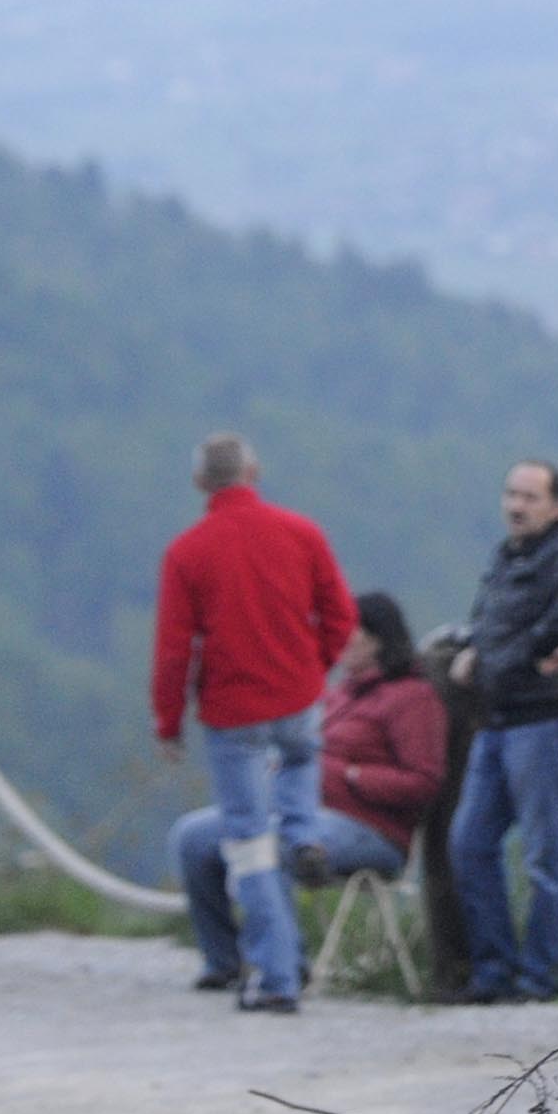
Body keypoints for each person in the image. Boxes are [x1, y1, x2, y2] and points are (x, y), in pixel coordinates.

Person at [151, 431, 355, 1012]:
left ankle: (278, 978)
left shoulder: (187, 552)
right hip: (300, 704)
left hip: (234, 716)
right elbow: (341, 615)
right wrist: (313, 669)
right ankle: (305, 836)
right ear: (254, 472)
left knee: (248, 847)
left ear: (200, 482)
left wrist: (169, 722)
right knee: (296, 785)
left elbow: (175, 651)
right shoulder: (302, 533)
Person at [169, 591, 440, 993]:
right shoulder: (339, 694)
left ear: (379, 639)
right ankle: (222, 961)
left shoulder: (412, 698)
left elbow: (424, 782)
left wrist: (349, 776)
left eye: (350, 632)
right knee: (193, 836)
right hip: (304, 812)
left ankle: (285, 964)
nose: (339, 639)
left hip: (372, 830)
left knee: (275, 845)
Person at [444, 459, 558, 1004]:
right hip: (499, 715)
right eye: (512, 494)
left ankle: (541, 975)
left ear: (556, 507)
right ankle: (494, 971)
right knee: (470, 843)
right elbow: (494, 617)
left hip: (543, 716)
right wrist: (476, 648)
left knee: (543, 852)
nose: (517, 505)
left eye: (530, 497)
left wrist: (525, 654)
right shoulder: (510, 553)